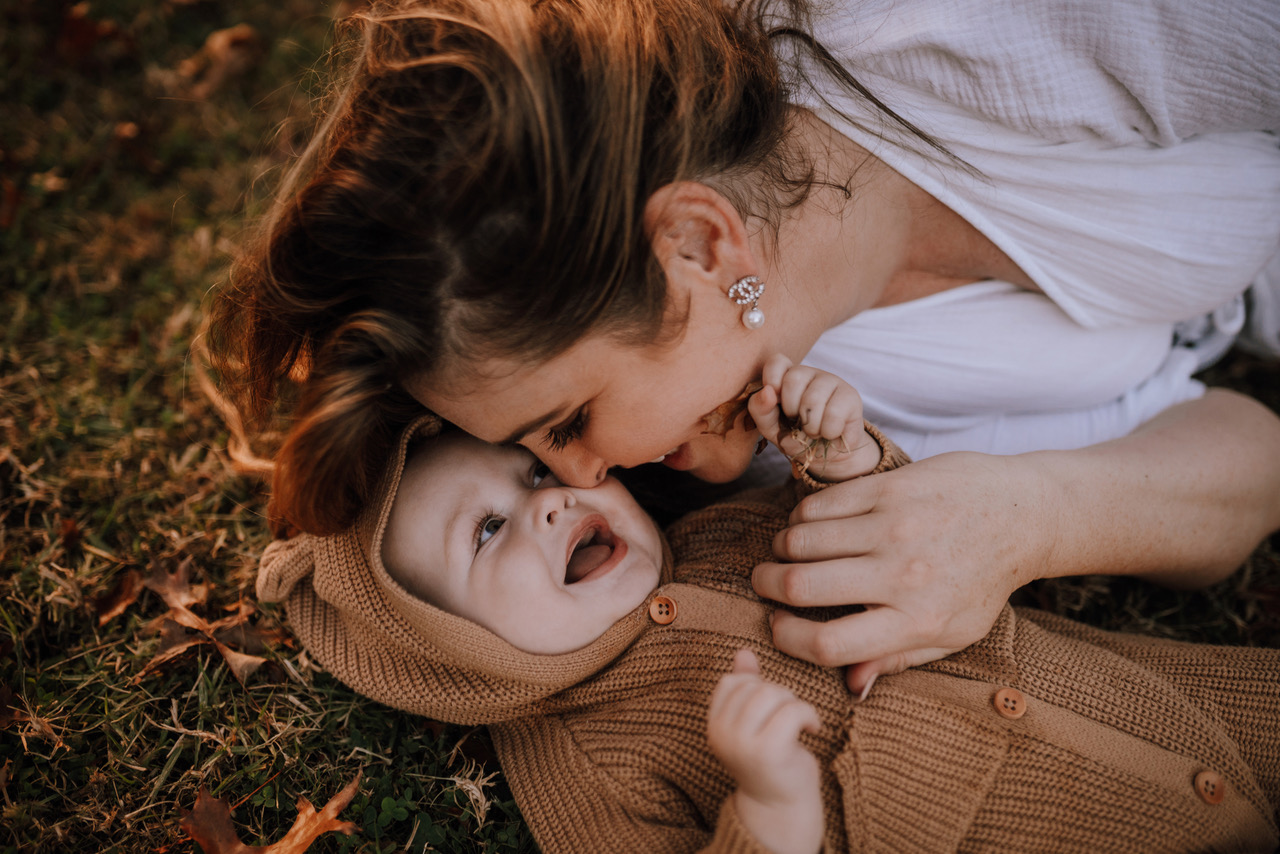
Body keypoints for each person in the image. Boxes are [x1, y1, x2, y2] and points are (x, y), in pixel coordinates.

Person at [209, 0, 1280, 692]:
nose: (586, 472)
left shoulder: (945, 31)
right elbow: (1246, 461)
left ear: (693, 243)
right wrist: (1026, 518)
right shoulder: (769, 426)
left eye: (568, 421)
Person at [255, 385, 1280, 853]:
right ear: (455, 652)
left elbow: (900, 540)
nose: (550, 502)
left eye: (532, 471)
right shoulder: (583, 762)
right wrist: (771, 806)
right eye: (487, 533)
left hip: (1175, 705)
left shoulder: (723, 529)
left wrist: (844, 463)